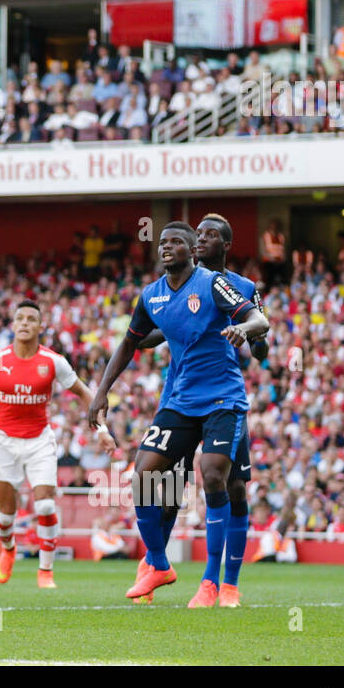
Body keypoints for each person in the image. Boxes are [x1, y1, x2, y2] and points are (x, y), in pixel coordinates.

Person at [87, 222, 268, 606]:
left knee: (223, 481)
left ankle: (220, 583)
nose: (202, 238)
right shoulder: (155, 294)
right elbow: (143, 337)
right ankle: (155, 562)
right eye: (196, 233)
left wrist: (248, 333)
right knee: (162, 483)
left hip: (223, 398)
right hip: (179, 397)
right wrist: (103, 389)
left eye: (208, 234)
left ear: (225, 244)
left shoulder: (234, 286)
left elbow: (260, 335)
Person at [0, 300, 110, 589]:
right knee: (5, 515)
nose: (25, 323)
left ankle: (46, 571)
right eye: (20, 318)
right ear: (13, 325)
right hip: (4, 441)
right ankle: (8, 549)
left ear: (41, 326)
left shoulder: (53, 361)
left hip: (40, 440)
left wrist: (102, 428)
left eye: (31, 319)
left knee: (44, 505)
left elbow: (85, 393)